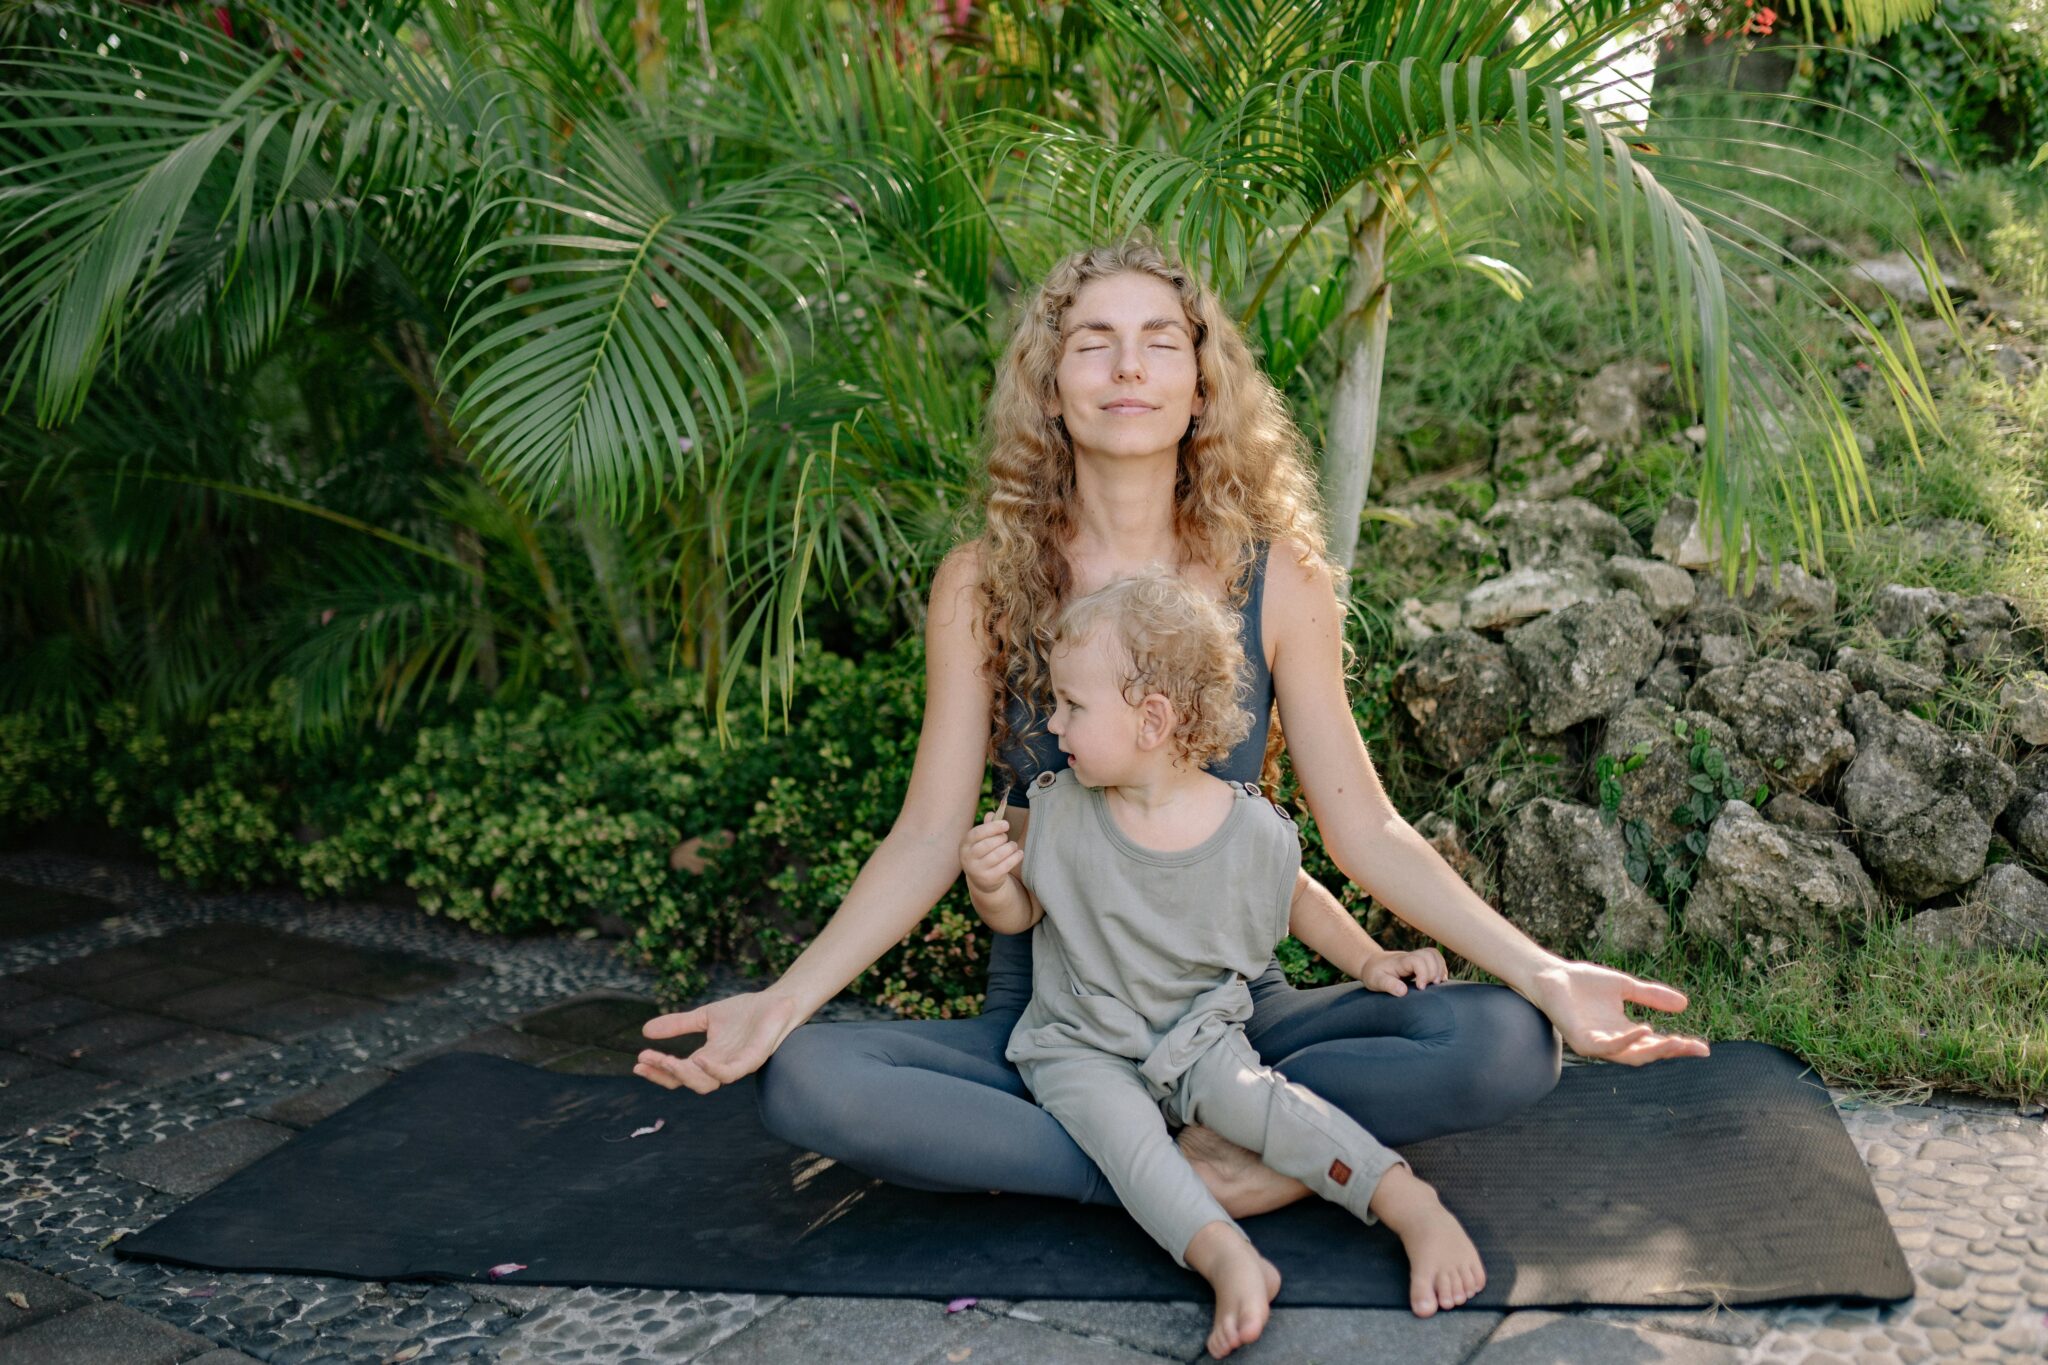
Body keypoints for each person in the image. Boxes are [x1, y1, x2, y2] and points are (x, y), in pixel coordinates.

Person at [634, 236, 1710, 1307]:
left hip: (1237, 1009)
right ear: (1050, 388)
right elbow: (926, 837)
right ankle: (1230, 1172)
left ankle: (1155, 1158)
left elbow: (1365, 830)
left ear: (1201, 387)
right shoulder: (979, 582)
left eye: (1159, 342)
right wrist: (782, 1003)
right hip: (1060, 1020)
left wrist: (1543, 972)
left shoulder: (1277, 578)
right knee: (809, 1083)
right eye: (1092, 344)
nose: (1126, 367)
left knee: (1505, 1044)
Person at [961, 567, 1482, 1357]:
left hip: (1200, 1034)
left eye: (1072, 705)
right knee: (1128, 1140)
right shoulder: (1055, 807)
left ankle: (1408, 1202)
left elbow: (1299, 895)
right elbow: (1022, 911)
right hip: (1082, 1041)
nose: (1053, 724)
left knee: (1266, 1105)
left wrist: (1371, 957)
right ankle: (1227, 1256)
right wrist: (989, 884)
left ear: (1152, 719)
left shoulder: (1244, 828)